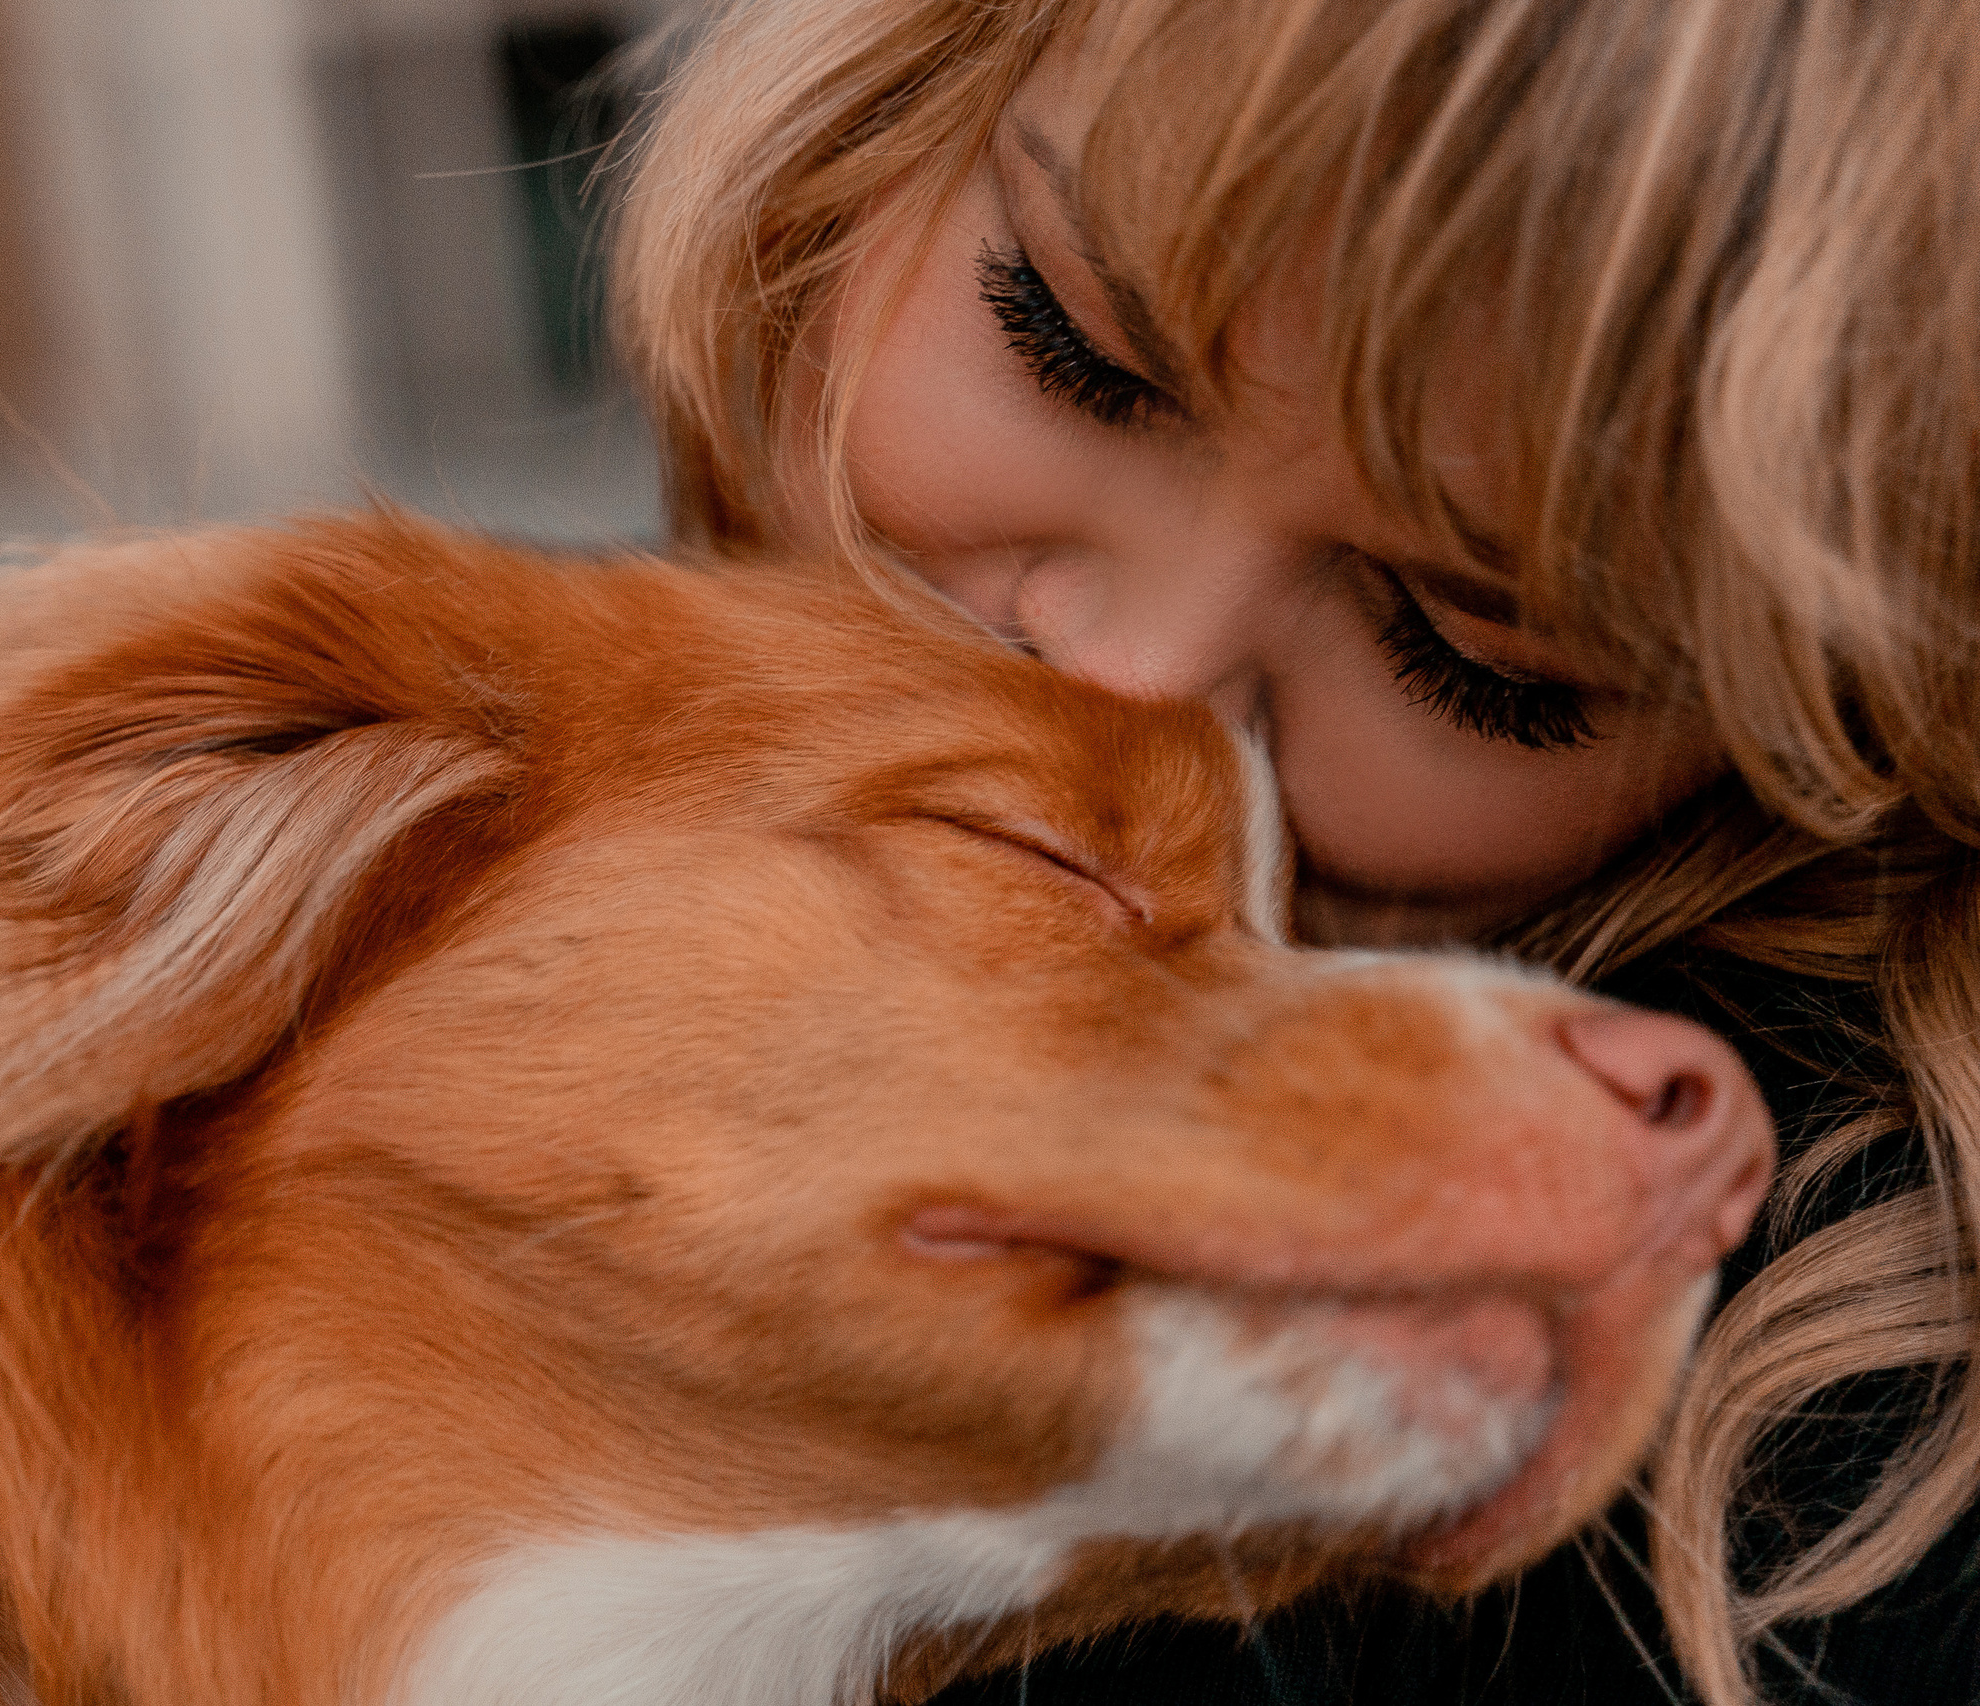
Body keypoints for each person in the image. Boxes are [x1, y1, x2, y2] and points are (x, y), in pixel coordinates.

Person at [607, 2, 1980, 1701]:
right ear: (896, 95)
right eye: (1067, 343)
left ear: (1827, 745)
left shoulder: (1777, 1477)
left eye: (1468, 653)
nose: (1133, 682)